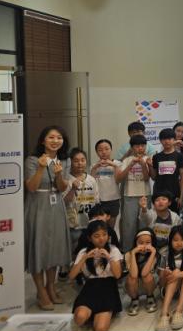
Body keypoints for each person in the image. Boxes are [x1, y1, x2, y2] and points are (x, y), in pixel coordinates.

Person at [24, 125, 72, 310]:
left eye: (59, 137)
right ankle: (41, 291)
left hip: (56, 205)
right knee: (39, 248)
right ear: (43, 140)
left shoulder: (64, 160)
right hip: (38, 206)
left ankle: (51, 286)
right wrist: (40, 168)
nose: (55, 141)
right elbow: (31, 187)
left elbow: (62, 188)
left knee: (54, 248)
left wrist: (59, 174)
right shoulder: (32, 160)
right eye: (51, 137)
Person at [70, 220, 123, 331]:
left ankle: (98, 315)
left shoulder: (113, 250)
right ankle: (91, 313)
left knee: (100, 329)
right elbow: (72, 275)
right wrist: (85, 258)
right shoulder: (83, 252)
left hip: (108, 286)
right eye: (97, 236)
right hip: (90, 286)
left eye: (104, 234)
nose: (101, 239)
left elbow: (118, 275)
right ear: (90, 238)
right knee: (79, 318)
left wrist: (109, 257)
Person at [64, 148, 100, 276]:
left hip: (89, 223)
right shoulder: (66, 179)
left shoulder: (91, 179)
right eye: (76, 161)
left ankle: (85, 272)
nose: (80, 163)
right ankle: (70, 271)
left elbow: (96, 201)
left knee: (88, 250)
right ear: (71, 162)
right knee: (73, 250)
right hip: (74, 224)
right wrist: (73, 189)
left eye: (83, 160)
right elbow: (64, 202)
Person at [156, 226, 183, 331]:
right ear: (170, 240)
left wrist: (179, 274)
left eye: (182, 240)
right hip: (167, 288)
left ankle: (178, 311)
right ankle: (164, 314)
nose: (179, 243)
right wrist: (166, 274)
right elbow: (160, 281)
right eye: (175, 240)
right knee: (175, 272)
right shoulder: (164, 253)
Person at [116, 134, 153, 252]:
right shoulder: (126, 160)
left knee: (144, 224)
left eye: (143, 145)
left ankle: (144, 250)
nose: (140, 148)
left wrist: (143, 164)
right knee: (129, 225)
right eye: (137, 146)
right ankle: (127, 251)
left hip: (145, 195)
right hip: (129, 195)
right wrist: (131, 164)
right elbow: (119, 178)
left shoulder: (148, 159)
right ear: (132, 147)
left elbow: (146, 178)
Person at [150, 128, 183, 213]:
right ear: (160, 141)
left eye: (169, 139)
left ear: (174, 140)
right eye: (164, 139)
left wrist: (182, 197)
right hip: (159, 194)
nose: (167, 141)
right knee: (158, 218)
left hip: (174, 194)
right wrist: (150, 165)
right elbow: (154, 177)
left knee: (175, 218)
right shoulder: (156, 157)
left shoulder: (179, 156)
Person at [124, 228, 158, 315]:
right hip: (133, 286)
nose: (144, 246)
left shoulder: (155, 255)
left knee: (147, 275)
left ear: (152, 243)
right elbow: (134, 275)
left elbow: (144, 273)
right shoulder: (128, 254)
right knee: (131, 278)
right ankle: (134, 300)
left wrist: (153, 253)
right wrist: (133, 254)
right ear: (135, 243)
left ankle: (150, 297)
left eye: (148, 242)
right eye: (140, 243)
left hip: (149, 284)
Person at [90, 139, 121, 228]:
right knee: (100, 226)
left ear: (111, 149)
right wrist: (96, 166)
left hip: (113, 199)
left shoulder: (117, 164)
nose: (104, 152)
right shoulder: (94, 166)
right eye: (100, 150)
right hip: (99, 200)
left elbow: (118, 180)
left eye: (107, 149)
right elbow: (91, 181)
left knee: (111, 227)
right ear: (96, 152)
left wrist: (113, 165)